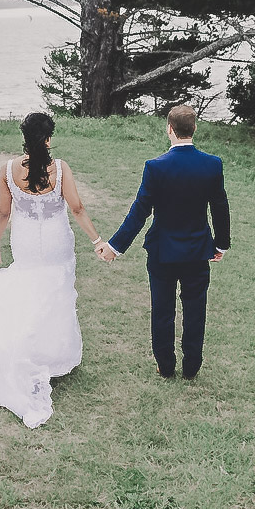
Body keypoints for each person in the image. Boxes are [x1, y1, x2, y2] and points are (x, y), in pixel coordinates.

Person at [0, 112, 104, 428]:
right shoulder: (60, 169)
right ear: (48, 139)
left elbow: (2, 211)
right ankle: (45, 355)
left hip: (25, 241)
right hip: (55, 240)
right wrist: (96, 240)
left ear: (25, 139)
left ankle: (34, 350)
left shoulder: (7, 171)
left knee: (27, 290)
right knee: (55, 292)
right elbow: (77, 208)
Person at [97, 104, 230, 380]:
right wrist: (220, 244)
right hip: (196, 252)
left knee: (162, 310)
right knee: (195, 310)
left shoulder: (156, 167)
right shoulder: (212, 164)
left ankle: (165, 366)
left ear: (169, 129)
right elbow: (220, 207)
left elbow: (140, 211)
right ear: (194, 129)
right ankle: (192, 367)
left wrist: (115, 246)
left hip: (162, 252)